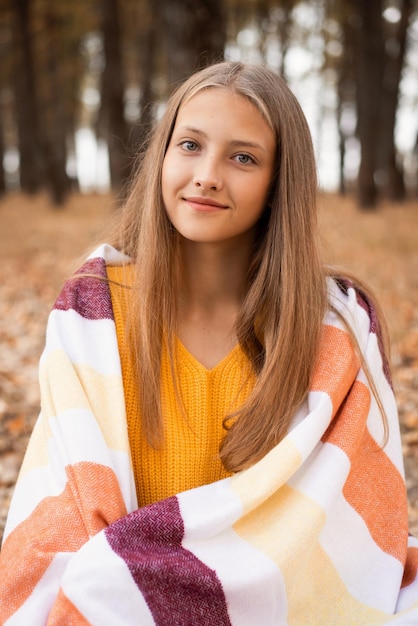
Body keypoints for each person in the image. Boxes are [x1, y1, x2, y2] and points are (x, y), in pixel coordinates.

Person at [1, 61, 417, 625]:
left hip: (283, 604)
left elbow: (355, 534)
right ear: (162, 158)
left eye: (243, 157)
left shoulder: (334, 326)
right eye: (190, 145)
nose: (207, 175)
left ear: (279, 182)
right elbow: (65, 515)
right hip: (126, 607)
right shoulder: (95, 313)